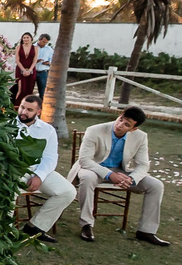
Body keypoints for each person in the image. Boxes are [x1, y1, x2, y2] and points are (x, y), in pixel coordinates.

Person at [67, 106, 168, 246]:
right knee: (88, 178)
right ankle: (86, 225)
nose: (120, 125)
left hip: (121, 171)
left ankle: (146, 231)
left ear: (133, 129)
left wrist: (131, 179)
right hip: (93, 168)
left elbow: (143, 165)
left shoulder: (141, 137)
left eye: (126, 124)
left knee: (156, 185)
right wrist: (109, 175)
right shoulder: (94, 130)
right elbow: (85, 160)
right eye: (120, 119)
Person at [14, 95, 75, 243]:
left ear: (38, 112)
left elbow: (50, 157)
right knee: (8, 190)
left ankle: (35, 227)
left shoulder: (48, 130)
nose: (24, 112)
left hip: (38, 169)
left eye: (29, 110)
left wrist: (39, 176)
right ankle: (6, 231)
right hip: (14, 170)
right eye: (22, 107)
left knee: (68, 192)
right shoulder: (8, 126)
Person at [13, 32, 37, 103]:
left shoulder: (35, 48)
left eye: (27, 37)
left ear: (31, 39)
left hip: (31, 70)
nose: (26, 39)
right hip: (20, 69)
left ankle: (28, 104)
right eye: (24, 38)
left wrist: (29, 70)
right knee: (21, 89)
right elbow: (17, 60)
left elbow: (35, 60)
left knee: (29, 89)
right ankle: (17, 104)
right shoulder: (18, 47)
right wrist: (23, 70)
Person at [34, 34, 53, 98]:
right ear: (39, 39)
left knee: (43, 92)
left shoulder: (49, 50)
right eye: (44, 42)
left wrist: (48, 63)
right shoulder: (32, 47)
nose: (45, 44)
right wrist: (35, 61)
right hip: (32, 71)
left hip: (43, 72)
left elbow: (52, 60)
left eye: (46, 42)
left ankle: (41, 103)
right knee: (28, 89)